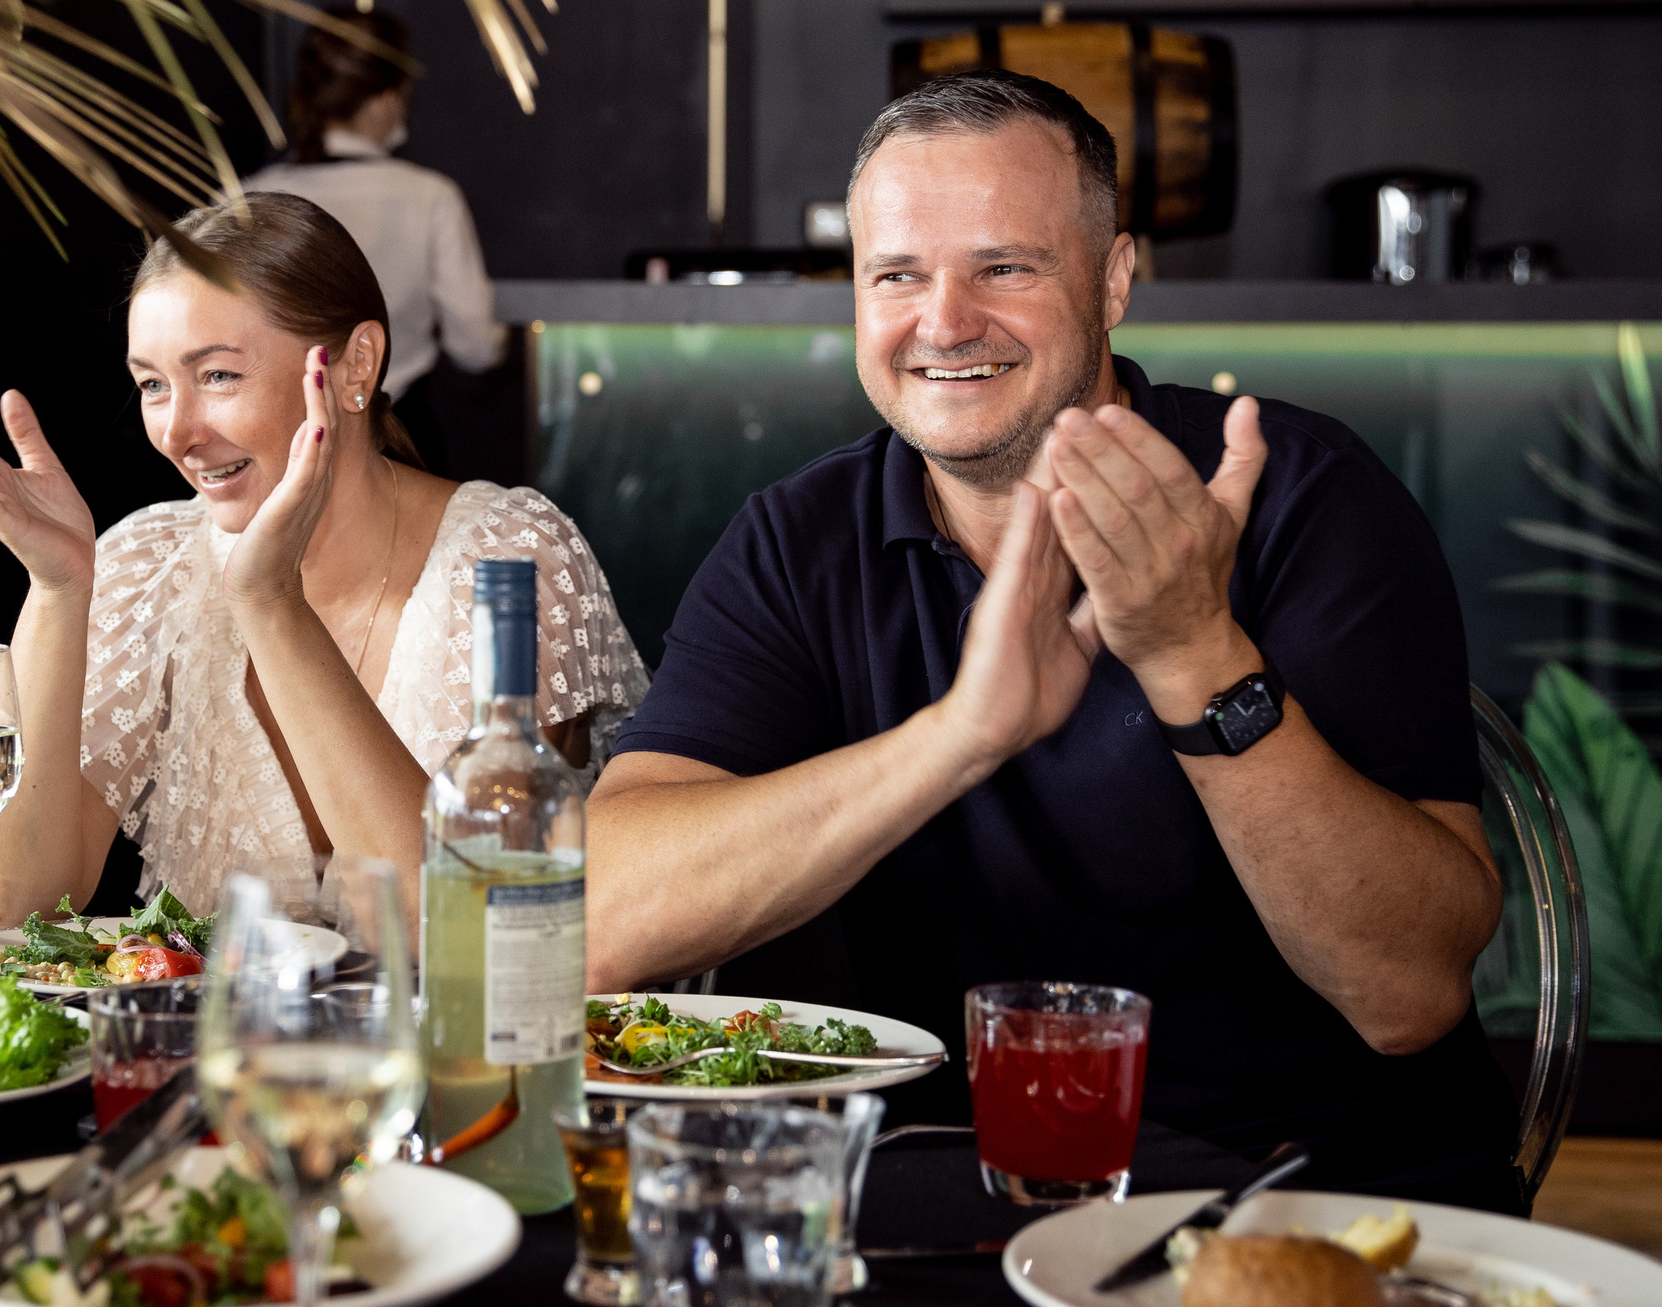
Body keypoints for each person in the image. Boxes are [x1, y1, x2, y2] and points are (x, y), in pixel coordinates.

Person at [584, 70, 1519, 1209]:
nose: (943, 322)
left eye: (1003, 268)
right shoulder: (799, 540)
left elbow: (1406, 995)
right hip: (962, 1199)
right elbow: (600, 926)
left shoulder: (1300, 494)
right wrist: (960, 735)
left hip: (1320, 1197)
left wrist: (1191, 652)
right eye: (897, 277)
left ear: (1114, 277)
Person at [0, 191, 645, 926]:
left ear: (353, 364)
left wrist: (269, 603)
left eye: (217, 376)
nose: (177, 431)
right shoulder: (148, 564)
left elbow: (463, 932)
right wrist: (57, 589)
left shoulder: (508, 559)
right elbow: (10, 906)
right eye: (152, 384)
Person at [243, 11, 505, 474]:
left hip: (271, 442)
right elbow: (476, 345)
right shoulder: (431, 197)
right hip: (395, 441)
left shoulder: (242, 199)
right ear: (386, 99)